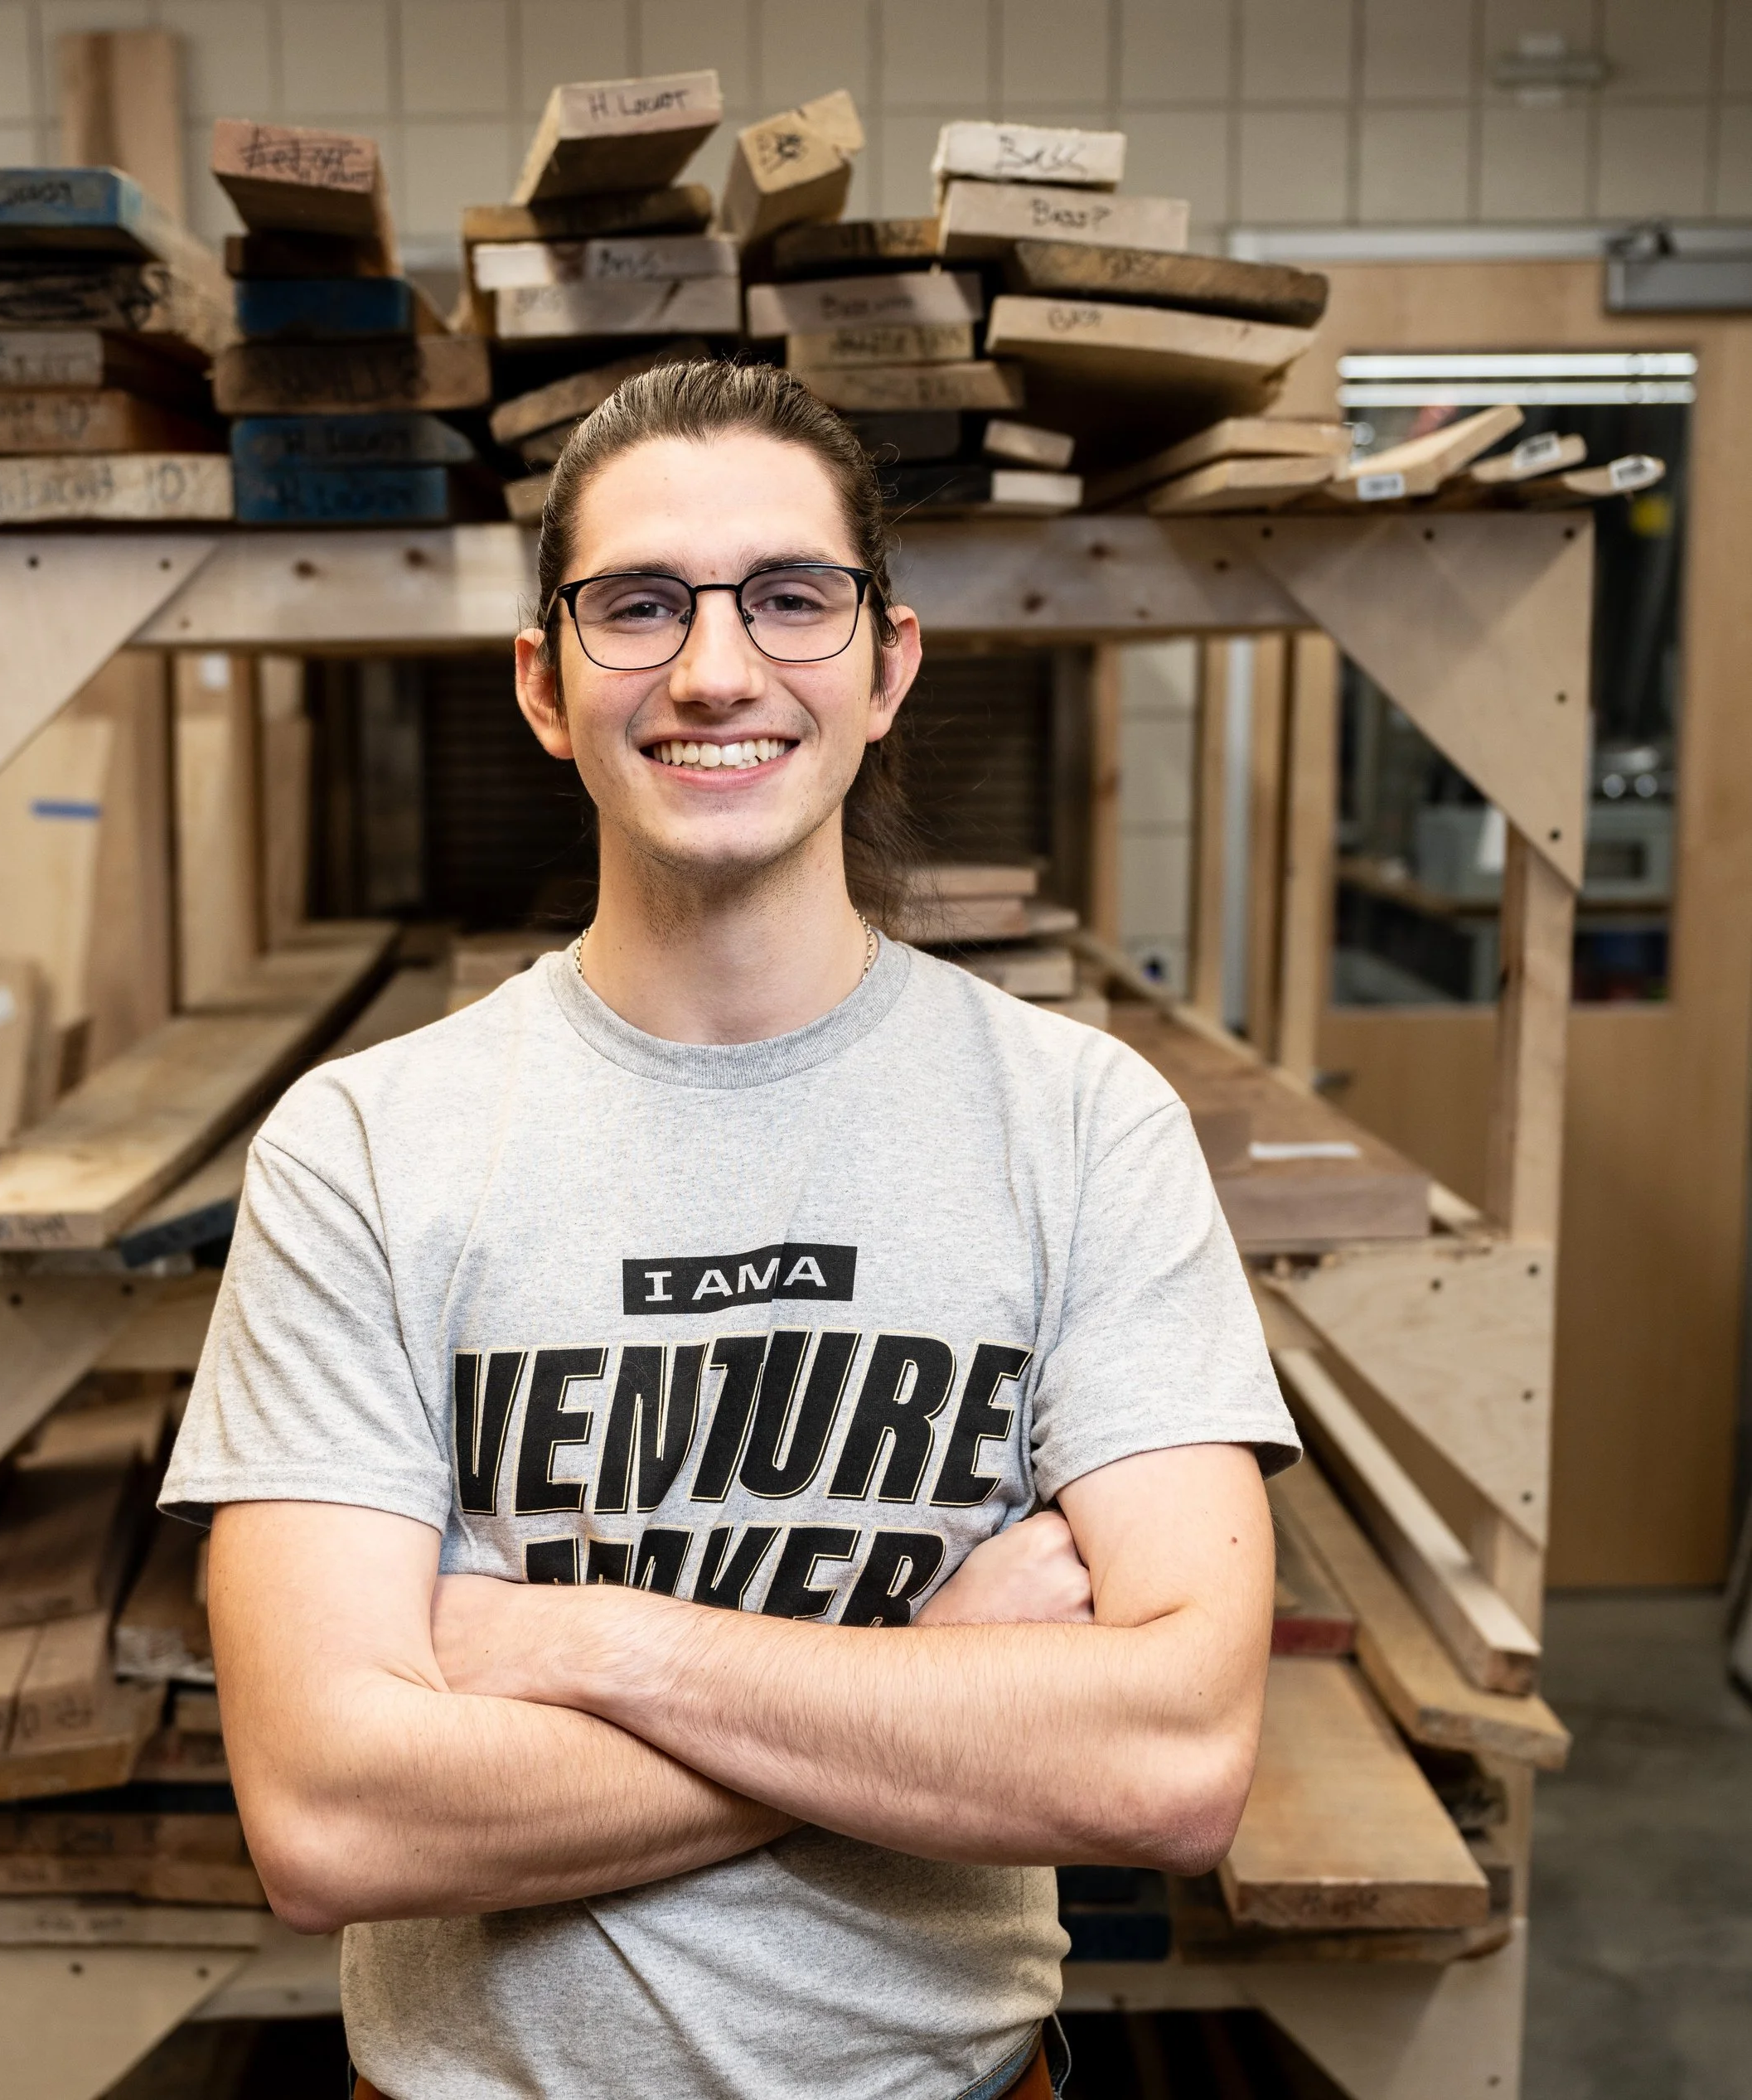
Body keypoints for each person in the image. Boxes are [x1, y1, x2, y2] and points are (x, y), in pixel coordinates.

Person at [162, 360, 1299, 2100]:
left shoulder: (1076, 1123)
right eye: (637, 605)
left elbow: (1166, 1766)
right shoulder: (366, 1151)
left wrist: (586, 1644)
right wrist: (924, 1686)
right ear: (543, 683)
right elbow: (330, 1817)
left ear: (883, 665)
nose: (712, 668)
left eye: (788, 597)